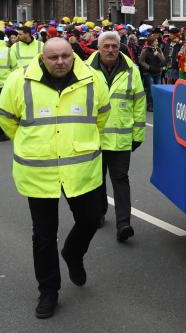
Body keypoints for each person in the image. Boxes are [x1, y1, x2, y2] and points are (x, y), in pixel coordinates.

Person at [0, 37, 110, 318]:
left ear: (73, 55)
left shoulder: (93, 79)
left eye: (65, 56)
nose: (60, 62)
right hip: (39, 171)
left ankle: (73, 253)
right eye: (53, 57)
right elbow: (8, 121)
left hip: (81, 168)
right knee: (44, 235)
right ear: (42, 58)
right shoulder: (18, 81)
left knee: (91, 218)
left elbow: (101, 117)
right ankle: (48, 291)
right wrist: (36, 145)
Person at [88, 31, 146, 241]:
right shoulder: (85, 69)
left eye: (114, 46)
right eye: (106, 46)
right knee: (97, 179)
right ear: (99, 48)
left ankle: (124, 224)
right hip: (93, 137)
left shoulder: (131, 70)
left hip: (121, 138)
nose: (111, 50)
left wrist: (138, 134)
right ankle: (100, 212)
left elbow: (139, 103)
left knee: (120, 180)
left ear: (119, 47)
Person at [138, 33, 166, 112]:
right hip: (148, 73)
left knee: (157, 89)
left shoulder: (159, 49)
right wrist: (149, 67)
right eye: (156, 41)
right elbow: (141, 61)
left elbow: (163, 61)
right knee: (151, 89)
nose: (157, 42)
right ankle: (150, 105)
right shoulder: (145, 50)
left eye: (157, 41)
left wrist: (158, 55)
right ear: (151, 42)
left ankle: (156, 104)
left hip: (158, 72)